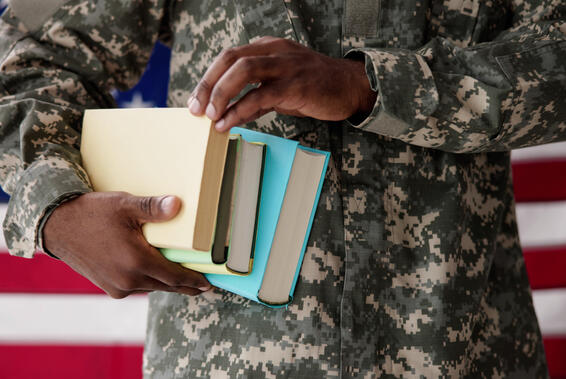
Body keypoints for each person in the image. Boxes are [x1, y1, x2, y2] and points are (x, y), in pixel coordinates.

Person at [1, 0, 564, 377]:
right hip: (228, 358)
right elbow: (27, 67)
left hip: (460, 351)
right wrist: (53, 210)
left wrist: (368, 85)